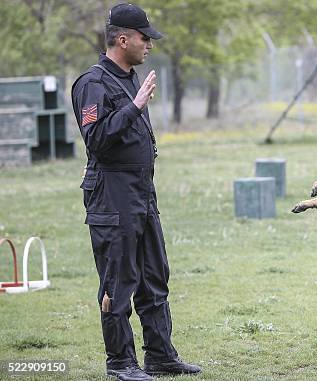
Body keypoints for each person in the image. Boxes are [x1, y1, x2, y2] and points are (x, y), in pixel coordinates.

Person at [71, 3, 200, 380]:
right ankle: (121, 363)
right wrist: (136, 105)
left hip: (142, 194)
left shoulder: (129, 78)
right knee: (118, 281)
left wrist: (134, 101)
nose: (150, 45)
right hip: (111, 196)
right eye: (145, 38)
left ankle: (160, 357)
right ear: (123, 39)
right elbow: (96, 140)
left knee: (154, 276)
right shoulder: (92, 83)